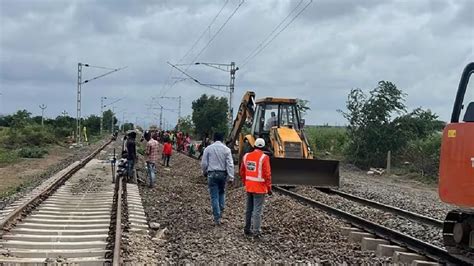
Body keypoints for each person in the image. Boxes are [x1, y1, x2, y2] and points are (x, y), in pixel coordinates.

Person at [240, 138, 272, 237]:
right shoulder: (264, 158)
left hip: (249, 187)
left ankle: (247, 229)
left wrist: (246, 182)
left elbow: (242, 171)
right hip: (260, 188)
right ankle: (256, 231)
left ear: (254, 146)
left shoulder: (246, 156)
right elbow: (267, 174)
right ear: (263, 147)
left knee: (249, 209)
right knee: (257, 210)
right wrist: (269, 188)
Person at [201, 132, 234, 225]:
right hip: (222, 174)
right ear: (223, 139)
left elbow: (204, 163)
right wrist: (231, 177)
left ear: (213, 139)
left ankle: (217, 218)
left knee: (214, 196)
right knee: (222, 192)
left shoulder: (208, 149)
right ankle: (221, 208)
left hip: (211, 174)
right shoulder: (226, 150)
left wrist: (204, 172)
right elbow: (230, 164)